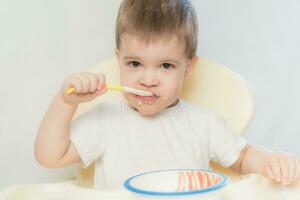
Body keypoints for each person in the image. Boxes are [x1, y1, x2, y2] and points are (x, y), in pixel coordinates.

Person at [34, 0, 300, 189]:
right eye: (135, 64)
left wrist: (270, 161)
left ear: (188, 68)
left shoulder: (203, 123)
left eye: (166, 66)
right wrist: (63, 102)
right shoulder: (105, 120)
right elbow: (49, 156)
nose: (148, 80)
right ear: (119, 61)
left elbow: (243, 158)